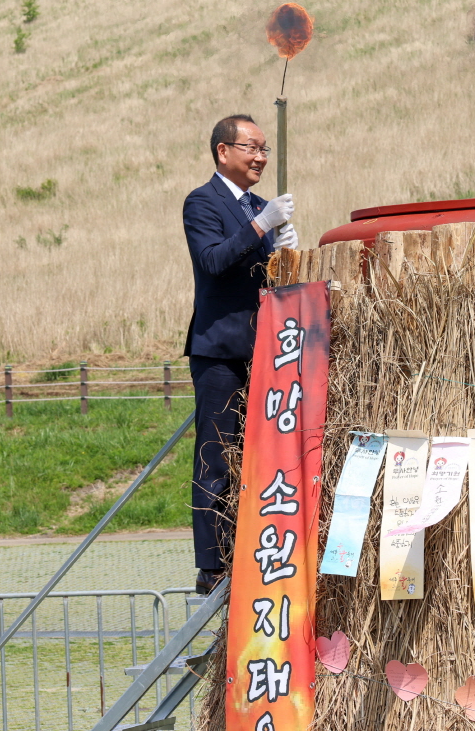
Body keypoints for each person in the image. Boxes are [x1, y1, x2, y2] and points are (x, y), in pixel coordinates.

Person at [182, 114, 298, 594]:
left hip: (265, 347)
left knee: (257, 453)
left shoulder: (256, 204)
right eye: (251, 147)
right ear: (222, 151)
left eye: (265, 149)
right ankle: (212, 563)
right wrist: (261, 226)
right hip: (220, 348)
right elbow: (213, 260)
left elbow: (259, 271)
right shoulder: (202, 202)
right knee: (215, 452)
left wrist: (282, 250)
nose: (260, 158)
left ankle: (252, 544)